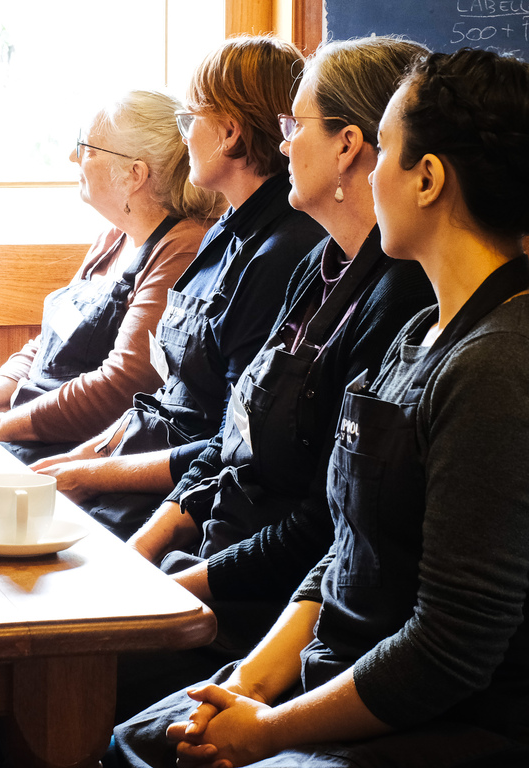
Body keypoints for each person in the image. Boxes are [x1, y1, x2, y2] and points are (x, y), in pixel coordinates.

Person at [109, 47, 529, 768]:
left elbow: (450, 650)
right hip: (332, 668)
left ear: (427, 179)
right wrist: (245, 686)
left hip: (440, 722)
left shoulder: (496, 366)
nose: (374, 175)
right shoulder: (417, 334)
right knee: (137, 742)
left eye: (386, 149)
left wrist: (271, 730)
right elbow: (343, 545)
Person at [29, 35, 326, 540]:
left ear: (230, 133)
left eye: (190, 121)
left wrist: (89, 472)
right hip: (136, 462)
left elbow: (228, 443)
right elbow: (166, 396)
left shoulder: (281, 255)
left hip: (189, 504)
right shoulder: (224, 231)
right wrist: (86, 454)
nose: (183, 137)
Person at [0, 89, 225, 464]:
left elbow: (124, 385)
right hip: (28, 428)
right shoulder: (113, 236)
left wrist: (1, 427)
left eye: (87, 148)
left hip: (79, 453)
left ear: (134, 174)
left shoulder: (182, 248)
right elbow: (44, 347)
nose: (73, 157)